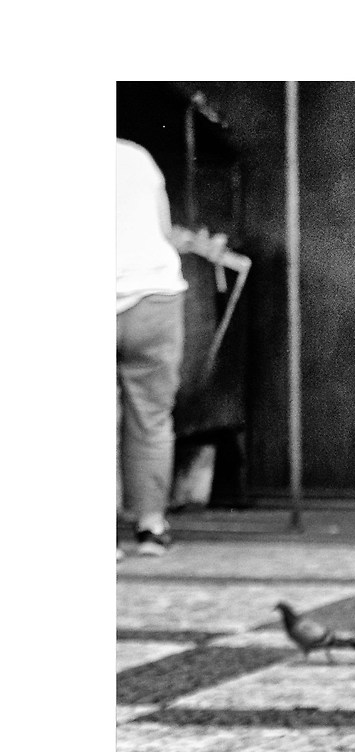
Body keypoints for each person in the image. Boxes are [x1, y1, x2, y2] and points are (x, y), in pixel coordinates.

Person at [117, 138, 188, 558]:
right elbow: (163, 231)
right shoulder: (137, 155)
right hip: (155, 296)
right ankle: (150, 527)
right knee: (152, 417)